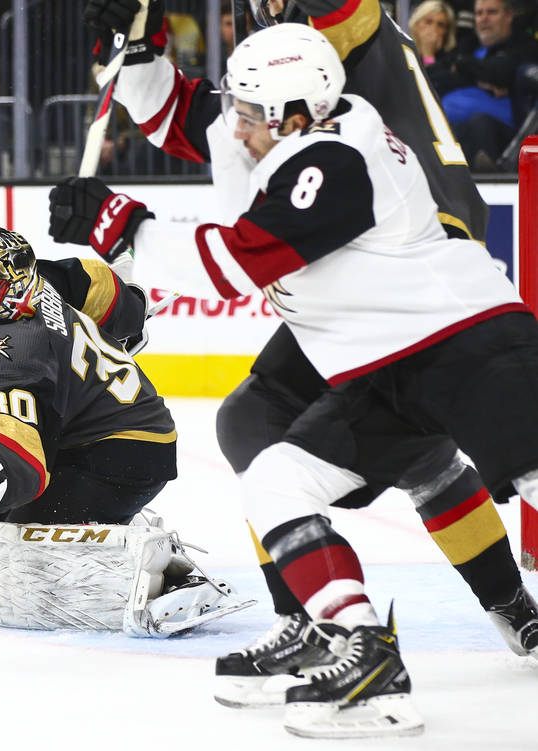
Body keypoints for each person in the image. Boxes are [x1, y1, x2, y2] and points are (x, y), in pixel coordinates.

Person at [49, 21, 538, 738]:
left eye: (248, 116)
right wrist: (136, 51)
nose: (234, 127)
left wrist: (122, 225)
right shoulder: (283, 121)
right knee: (272, 475)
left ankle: (506, 604)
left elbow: (238, 264)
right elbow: (183, 115)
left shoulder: (338, 155)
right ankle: (359, 653)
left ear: (297, 116)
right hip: (385, 369)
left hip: (472, 346)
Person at [0, 227, 252, 637]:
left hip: (118, 453)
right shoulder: (43, 284)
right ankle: (115, 523)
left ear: (10, 293)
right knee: (8, 517)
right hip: (126, 434)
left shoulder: (8, 349)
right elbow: (97, 282)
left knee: (12, 526)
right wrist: (132, 310)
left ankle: (158, 576)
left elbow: (16, 442)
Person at [428, 0, 538, 169]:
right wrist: (477, 76)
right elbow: (433, 75)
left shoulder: (524, 45)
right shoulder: (467, 46)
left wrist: (461, 67)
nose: (483, 18)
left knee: (479, 122)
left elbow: (501, 73)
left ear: (508, 15)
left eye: (491, 12)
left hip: (500, 134)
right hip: (449, 131)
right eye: (479, 13)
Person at [409, 0, 458, 68]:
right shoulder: (404, 52)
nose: (433, 29)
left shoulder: (451, 62)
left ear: (447, 32)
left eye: (440, 25)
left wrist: (428, 55)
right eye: (428, 22)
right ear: (416, 24)